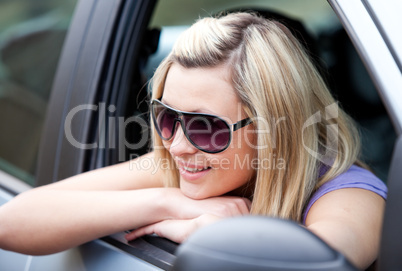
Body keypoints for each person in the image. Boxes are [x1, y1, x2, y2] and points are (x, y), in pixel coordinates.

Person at [0, 12, 387, 270]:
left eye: (207, 127)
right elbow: (12, 221)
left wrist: (219, 236)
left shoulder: (349, 196)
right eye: (167, 118)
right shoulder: (177, 166)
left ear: (276, 128)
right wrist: (167, 202)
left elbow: (321, 262)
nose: (178, 145)